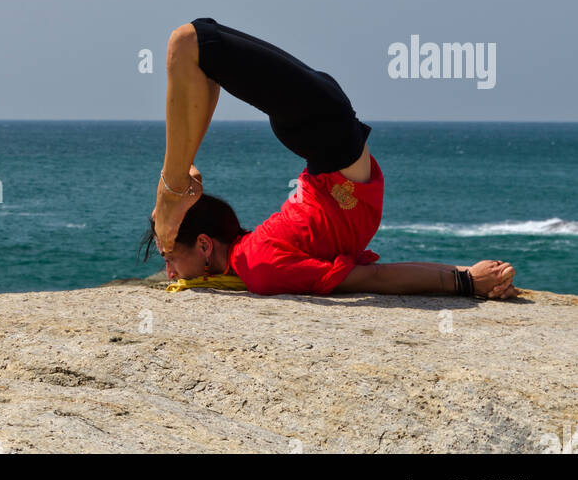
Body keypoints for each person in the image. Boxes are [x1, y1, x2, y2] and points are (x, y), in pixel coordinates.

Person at [143, 18, 517, 299]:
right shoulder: (258, 267)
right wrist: (465, 279)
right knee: (190, 42)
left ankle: (176, 183)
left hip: (327, 142)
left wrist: (466, 278)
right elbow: (371, 278)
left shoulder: (255, 262)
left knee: (200, 51)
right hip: (328, 136)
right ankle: (175, 182)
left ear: (205, 245)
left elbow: (371, 276)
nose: (169, 271)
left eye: (169, 256)